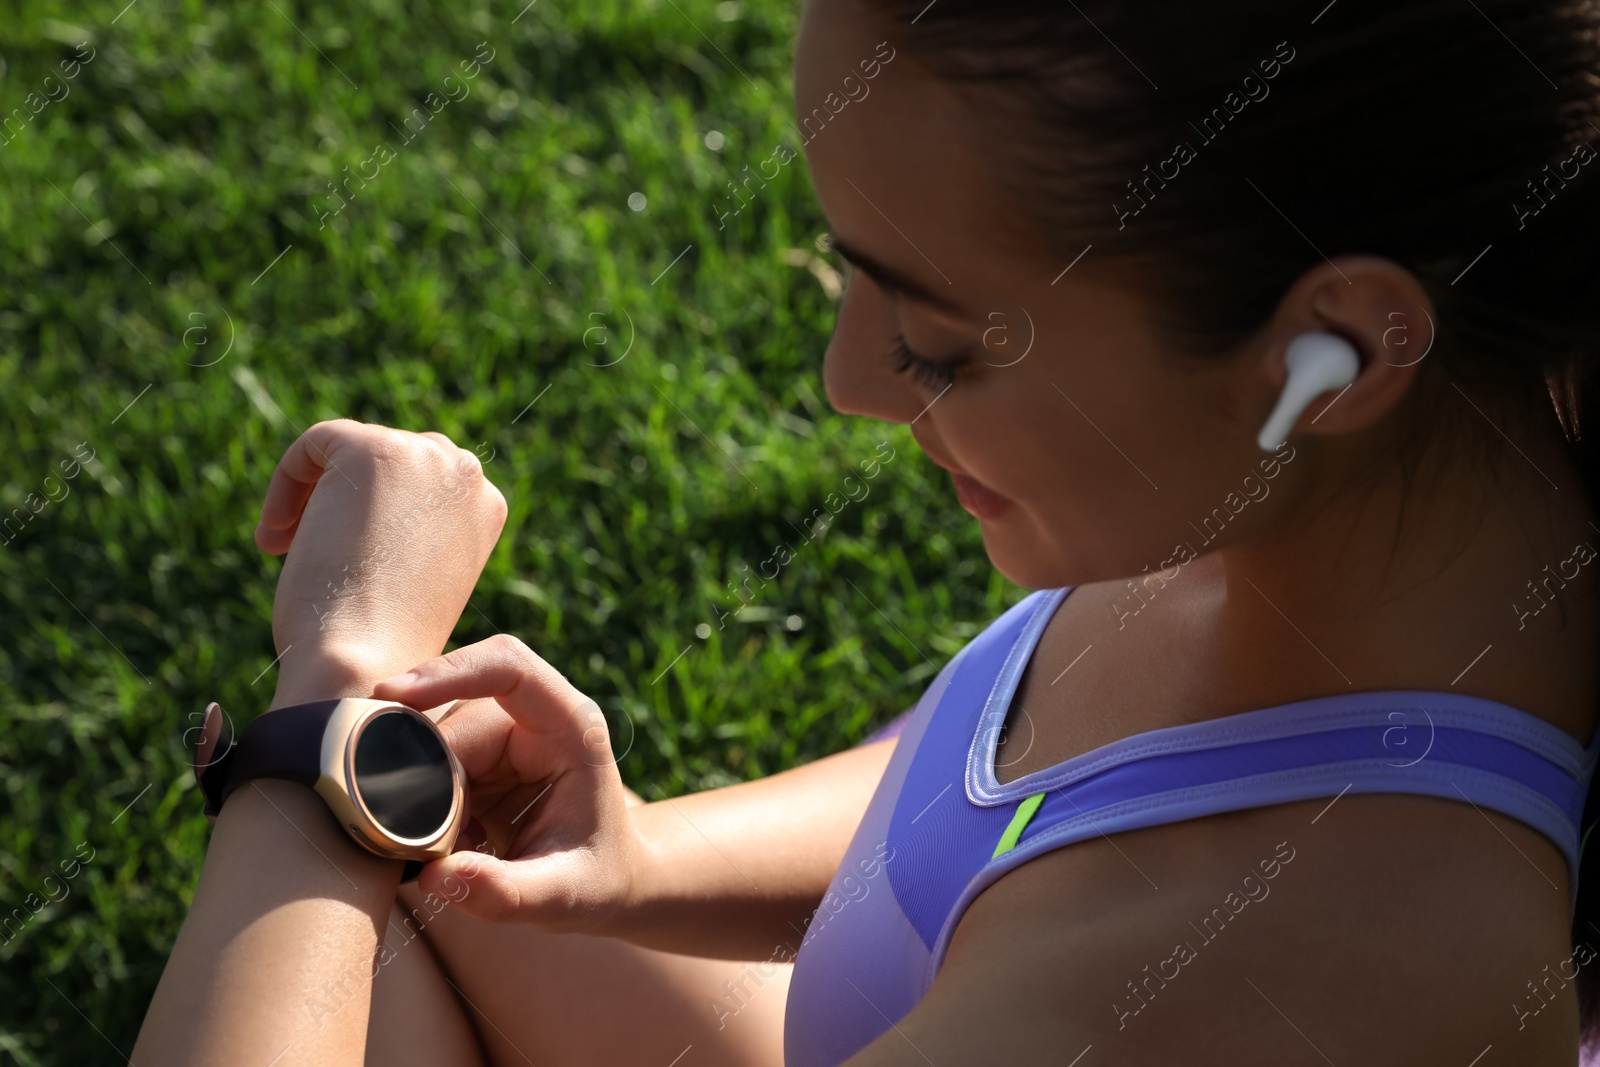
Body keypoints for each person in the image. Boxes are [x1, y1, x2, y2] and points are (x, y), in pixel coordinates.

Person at [134, 0, 1600, 1063]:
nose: (848, 386)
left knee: (319, 916)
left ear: (1331, 348)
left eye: (940, 340)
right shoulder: (1359, 492)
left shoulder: (1298, 977)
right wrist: (640, 864)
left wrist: (325, 723)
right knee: (394, 895)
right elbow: (996, 792)